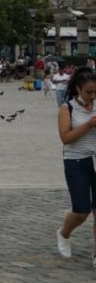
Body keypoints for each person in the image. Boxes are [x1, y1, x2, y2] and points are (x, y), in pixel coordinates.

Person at [56, 68, 96, 263]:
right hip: (76, 161)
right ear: (78, 88)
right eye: (89, 92)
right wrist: (88, 125)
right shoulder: (68, 108)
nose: (92, 96)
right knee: (81, 210)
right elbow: (66, 138)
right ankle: (64, 233)